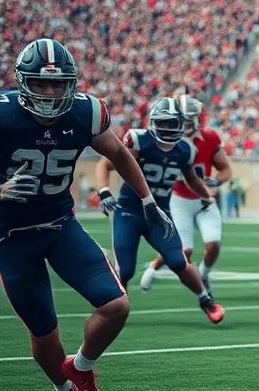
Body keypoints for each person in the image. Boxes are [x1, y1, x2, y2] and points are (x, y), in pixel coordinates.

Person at [0, 39, 172, 391]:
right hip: (10, 236)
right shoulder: (2, 114)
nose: (48, 92)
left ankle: (81, 370)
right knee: (44, 331)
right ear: (22, 82)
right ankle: (64, 389)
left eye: (57, 84)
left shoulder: (86, 112)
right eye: (40, 84)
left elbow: (120, 154)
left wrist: (147, 200)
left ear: (70, 84)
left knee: (117, 306)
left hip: (60, 225)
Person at [95, 97, 224, 324]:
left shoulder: (185, 149)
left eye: (172, 123)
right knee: (125, 270)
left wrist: (205, 196)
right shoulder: (139, 141)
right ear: (153, 122)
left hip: (161, 212)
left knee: (178, 260)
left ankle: (206, 300)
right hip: (131, 210)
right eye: (163, 123)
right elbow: (105, 163)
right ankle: (115, 306)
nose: (167, 128)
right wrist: (104, 190)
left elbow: (191, 179)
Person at [143, 96, 230, 294]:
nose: (188, 123)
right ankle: (153, 266)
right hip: (179, 200)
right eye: (184, 119)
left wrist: (215, 182)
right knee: (185, 251)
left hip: (203, 200)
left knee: (214, 244)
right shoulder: (168, 142)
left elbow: (225, 169)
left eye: (190, 118)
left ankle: (204, 275)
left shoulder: (210, 139)